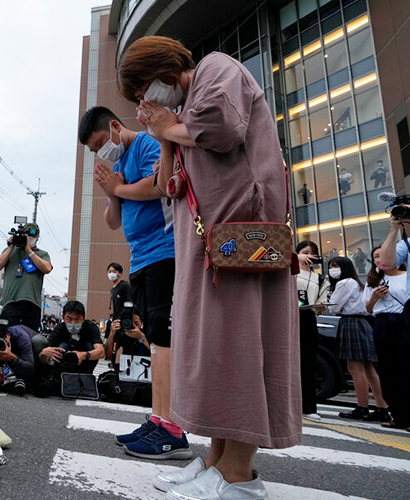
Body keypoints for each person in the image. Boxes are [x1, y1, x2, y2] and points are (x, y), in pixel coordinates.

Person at [119, 36, 300, 497]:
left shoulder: (216, 68)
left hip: (243, 238)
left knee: (239, 348)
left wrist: (170, 126)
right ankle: (217, 462)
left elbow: (222, 127)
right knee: (219, 351)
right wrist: (164, 134)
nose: (143, 103)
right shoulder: (182, 114)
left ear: (162, 72)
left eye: (142, 91)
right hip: (214, 247)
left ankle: (239, 475)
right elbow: (167, 185)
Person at [78, 105, 187, 460]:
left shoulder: (144, 144)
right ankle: (158, 419)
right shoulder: (120, 165)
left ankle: (172, 428)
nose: (100, 152)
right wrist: (113, 192)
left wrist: (119, 187)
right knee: (154, 341)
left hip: (164, 253)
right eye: (94, 150)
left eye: (99, 143)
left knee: (164, 341)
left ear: (114, 126)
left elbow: (160, 185)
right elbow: (112, 221)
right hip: (141, 259)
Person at [327, 256, 389, 421]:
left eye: (335, 265)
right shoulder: (356, 283)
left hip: (350, 323)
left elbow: (334, 308)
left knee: (355, 368)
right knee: (369, 369)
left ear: (345, 267)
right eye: (331, 266)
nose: (332, 269)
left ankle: (362, 407)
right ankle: (382, 407)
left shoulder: (344, 283)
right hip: (363, 323)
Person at [363, 246, 408, 429]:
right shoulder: (373, 281)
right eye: (376, 257)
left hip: (404, 321)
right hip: (382, 324)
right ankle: (398, 416)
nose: (379, 259)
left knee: (406, 367)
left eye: (382, 255)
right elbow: (368, 308)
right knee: (388, 370)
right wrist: (374, 297)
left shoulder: (406, 276)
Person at [0, 223, 52, 331]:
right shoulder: (10, 251)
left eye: (33, 236)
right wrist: (11, 246)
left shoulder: (42, 254)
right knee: (6, 334)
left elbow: (47, 268)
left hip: (32, 303)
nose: (30, 239)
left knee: (29, 337)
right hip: (11, 301)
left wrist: (30, 251)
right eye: (27, 236)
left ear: (37, 238)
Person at [295, 241, 329, 422]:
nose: (309, 255)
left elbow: (321, 303)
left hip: (308, 317)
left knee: (308, 363)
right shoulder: (289, 271)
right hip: (287, 315)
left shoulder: (320, 279)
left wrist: (321, 307)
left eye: (312, 252)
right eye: (305, 252)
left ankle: (308, 407)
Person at [0, 321, 36, 396]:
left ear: (8, 336)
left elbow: (30, 368)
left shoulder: (21, 337)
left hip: (35, 355)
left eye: (1, 342)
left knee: (37, 343)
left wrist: (12, 358)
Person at [105, 262, 132, 362]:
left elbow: (130, 303)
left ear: (120, 273)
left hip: (123, 323)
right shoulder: (113, 289)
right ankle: (115, 366)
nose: (111, 273)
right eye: (109, 271)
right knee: (113, 350)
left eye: (114, 271)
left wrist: (123, 319)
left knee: (125, 350)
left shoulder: (125, 285)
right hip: (115, 322)